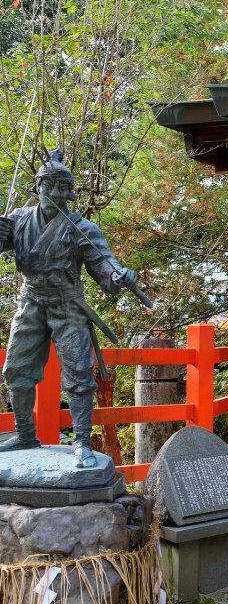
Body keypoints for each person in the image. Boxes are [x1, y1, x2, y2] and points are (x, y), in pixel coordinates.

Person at [0, 149, 137, 468]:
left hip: (68, 306)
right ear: (38, 187)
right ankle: (24, 434)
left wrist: (119, 276)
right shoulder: (18, 220)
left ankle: (82, 443)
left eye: (64, 188)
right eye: (51, 186)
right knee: (16, 372)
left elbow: (104, 267)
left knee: (78, 375)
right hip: (31, 301)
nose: (58, 193)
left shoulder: (82, 229)